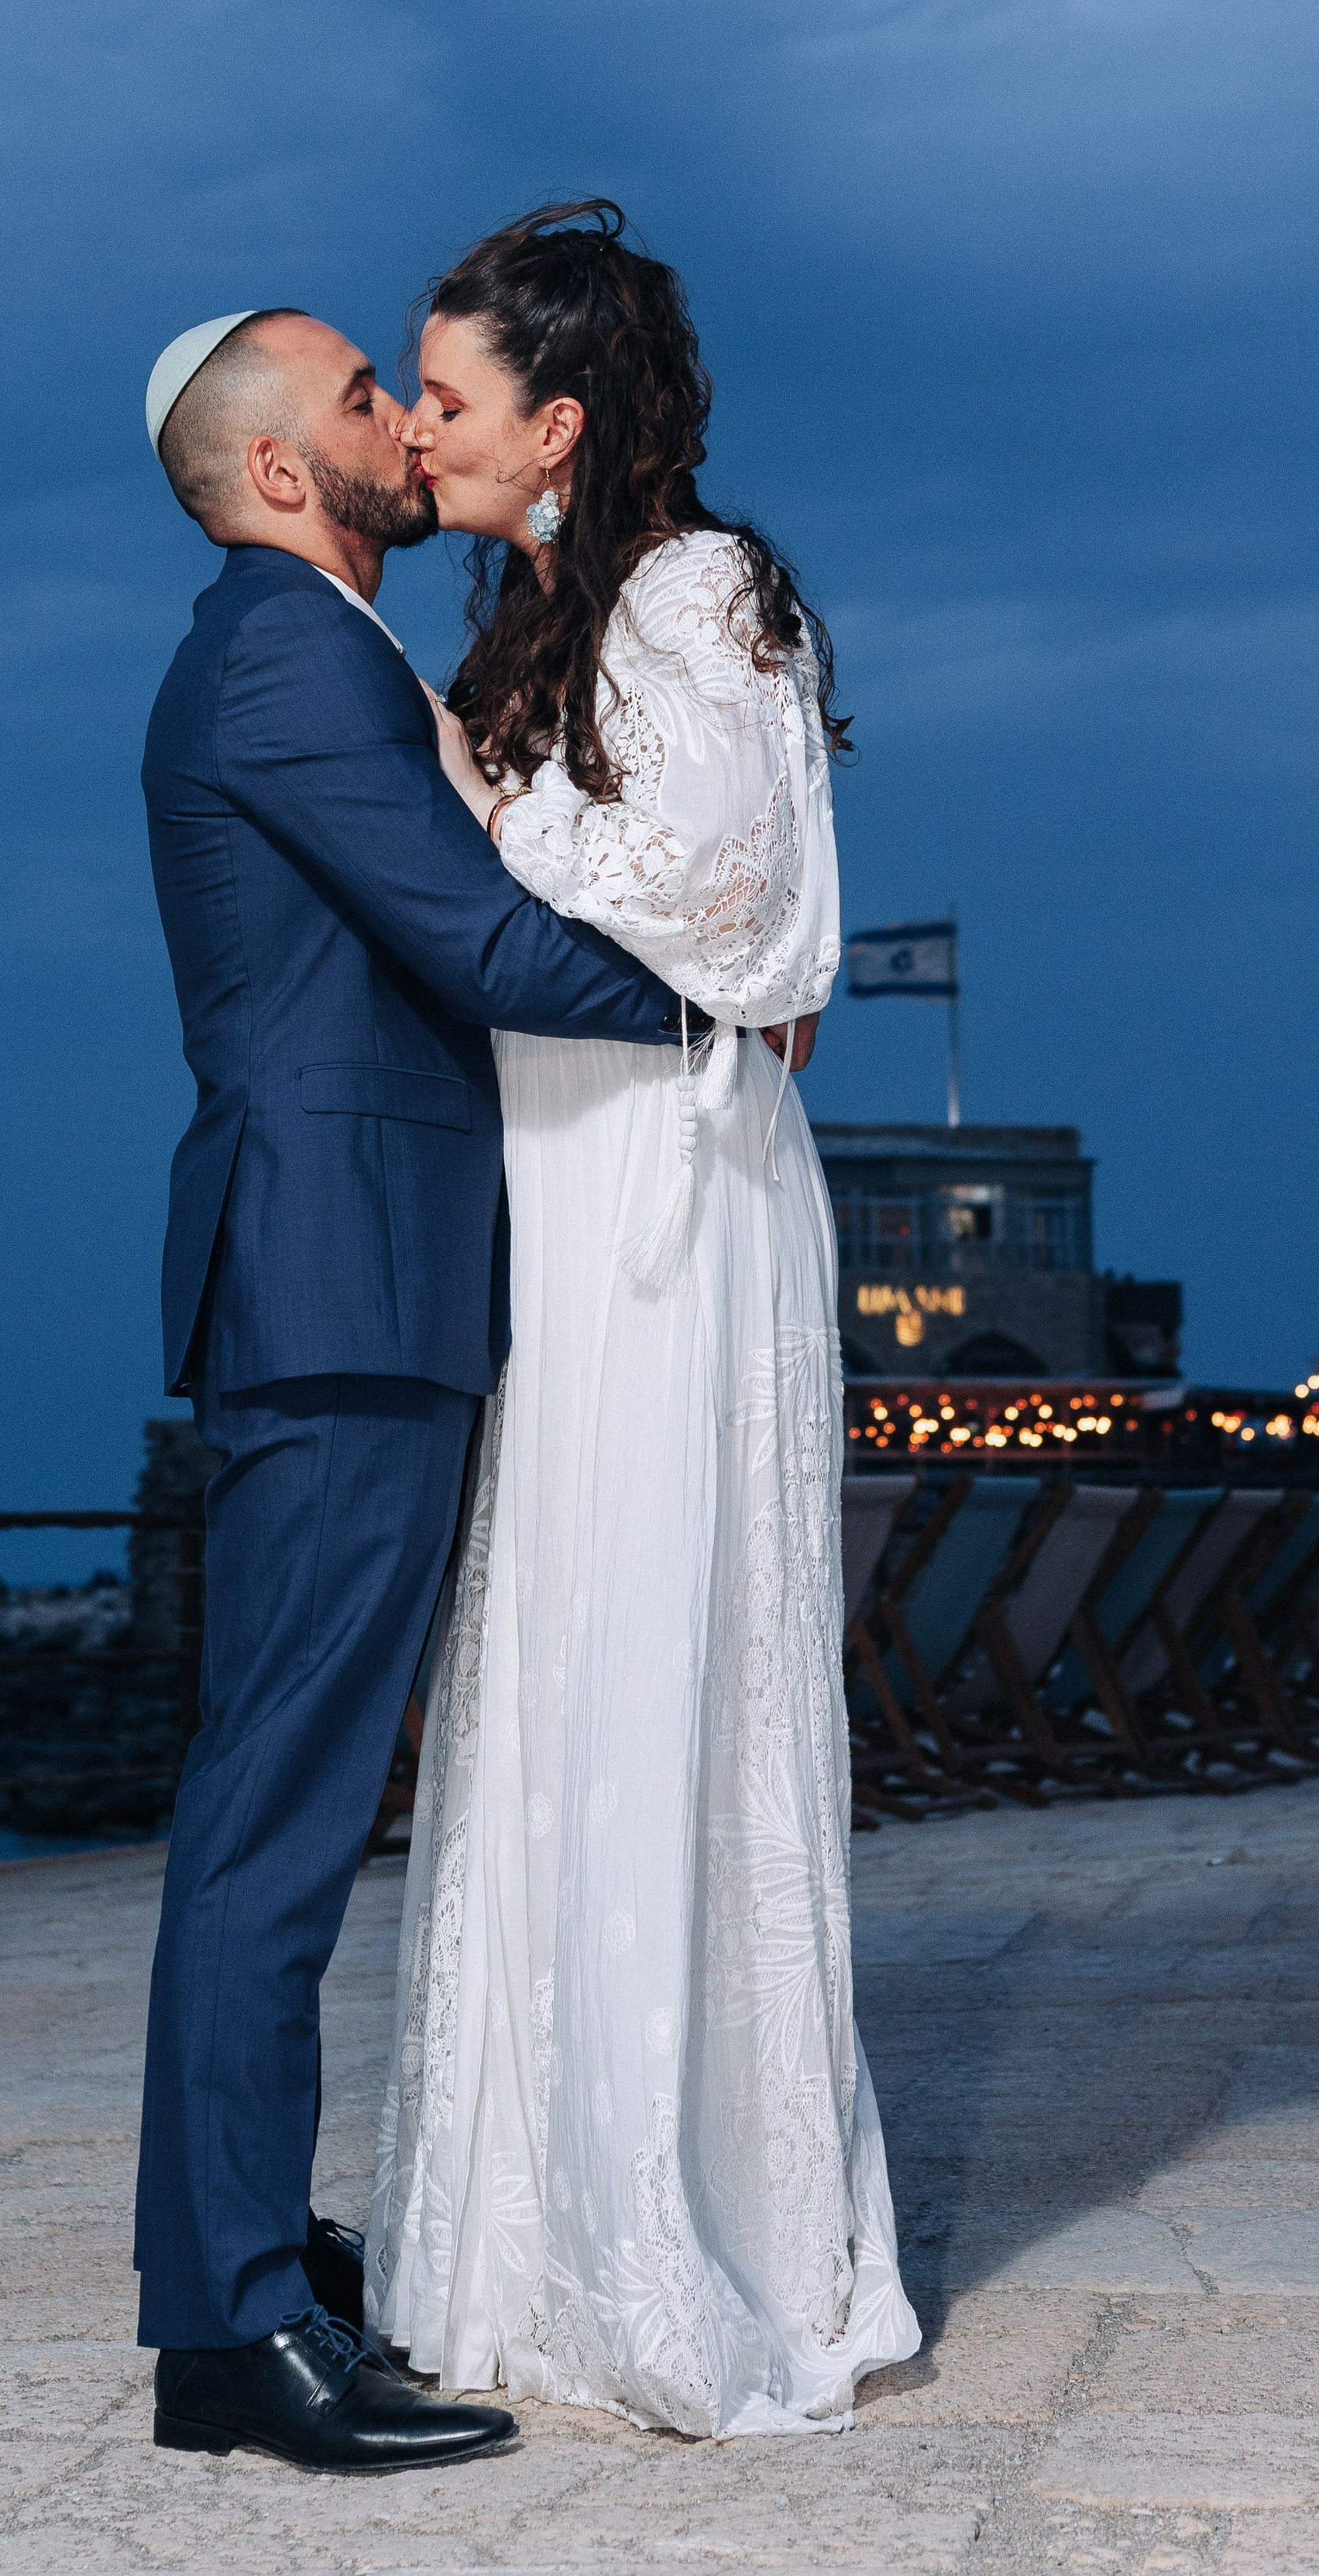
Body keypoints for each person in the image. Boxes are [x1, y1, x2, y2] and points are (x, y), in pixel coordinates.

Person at [366, 204, 922, 2435]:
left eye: (452, 395)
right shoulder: (550, 610)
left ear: (562, 422)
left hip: (669, 1190)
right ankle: (540, 2207)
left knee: (662, 1659)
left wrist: (464, 791)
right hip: (582, 1172)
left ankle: (692, 2224)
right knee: (576, 1663)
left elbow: (740, 902)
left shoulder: (694, 589)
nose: (419, 425)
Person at [132, 302, 702, 2475]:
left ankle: (254, 2244)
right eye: (367, 392)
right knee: (273, 1811)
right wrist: (716, 1005)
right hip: (335, 1291)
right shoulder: (282, 650)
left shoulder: (330, 646)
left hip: (365, 1286)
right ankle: (228, 2326)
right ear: (282, 469)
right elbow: (468, 937)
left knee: (288, 1800)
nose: (404, 413)